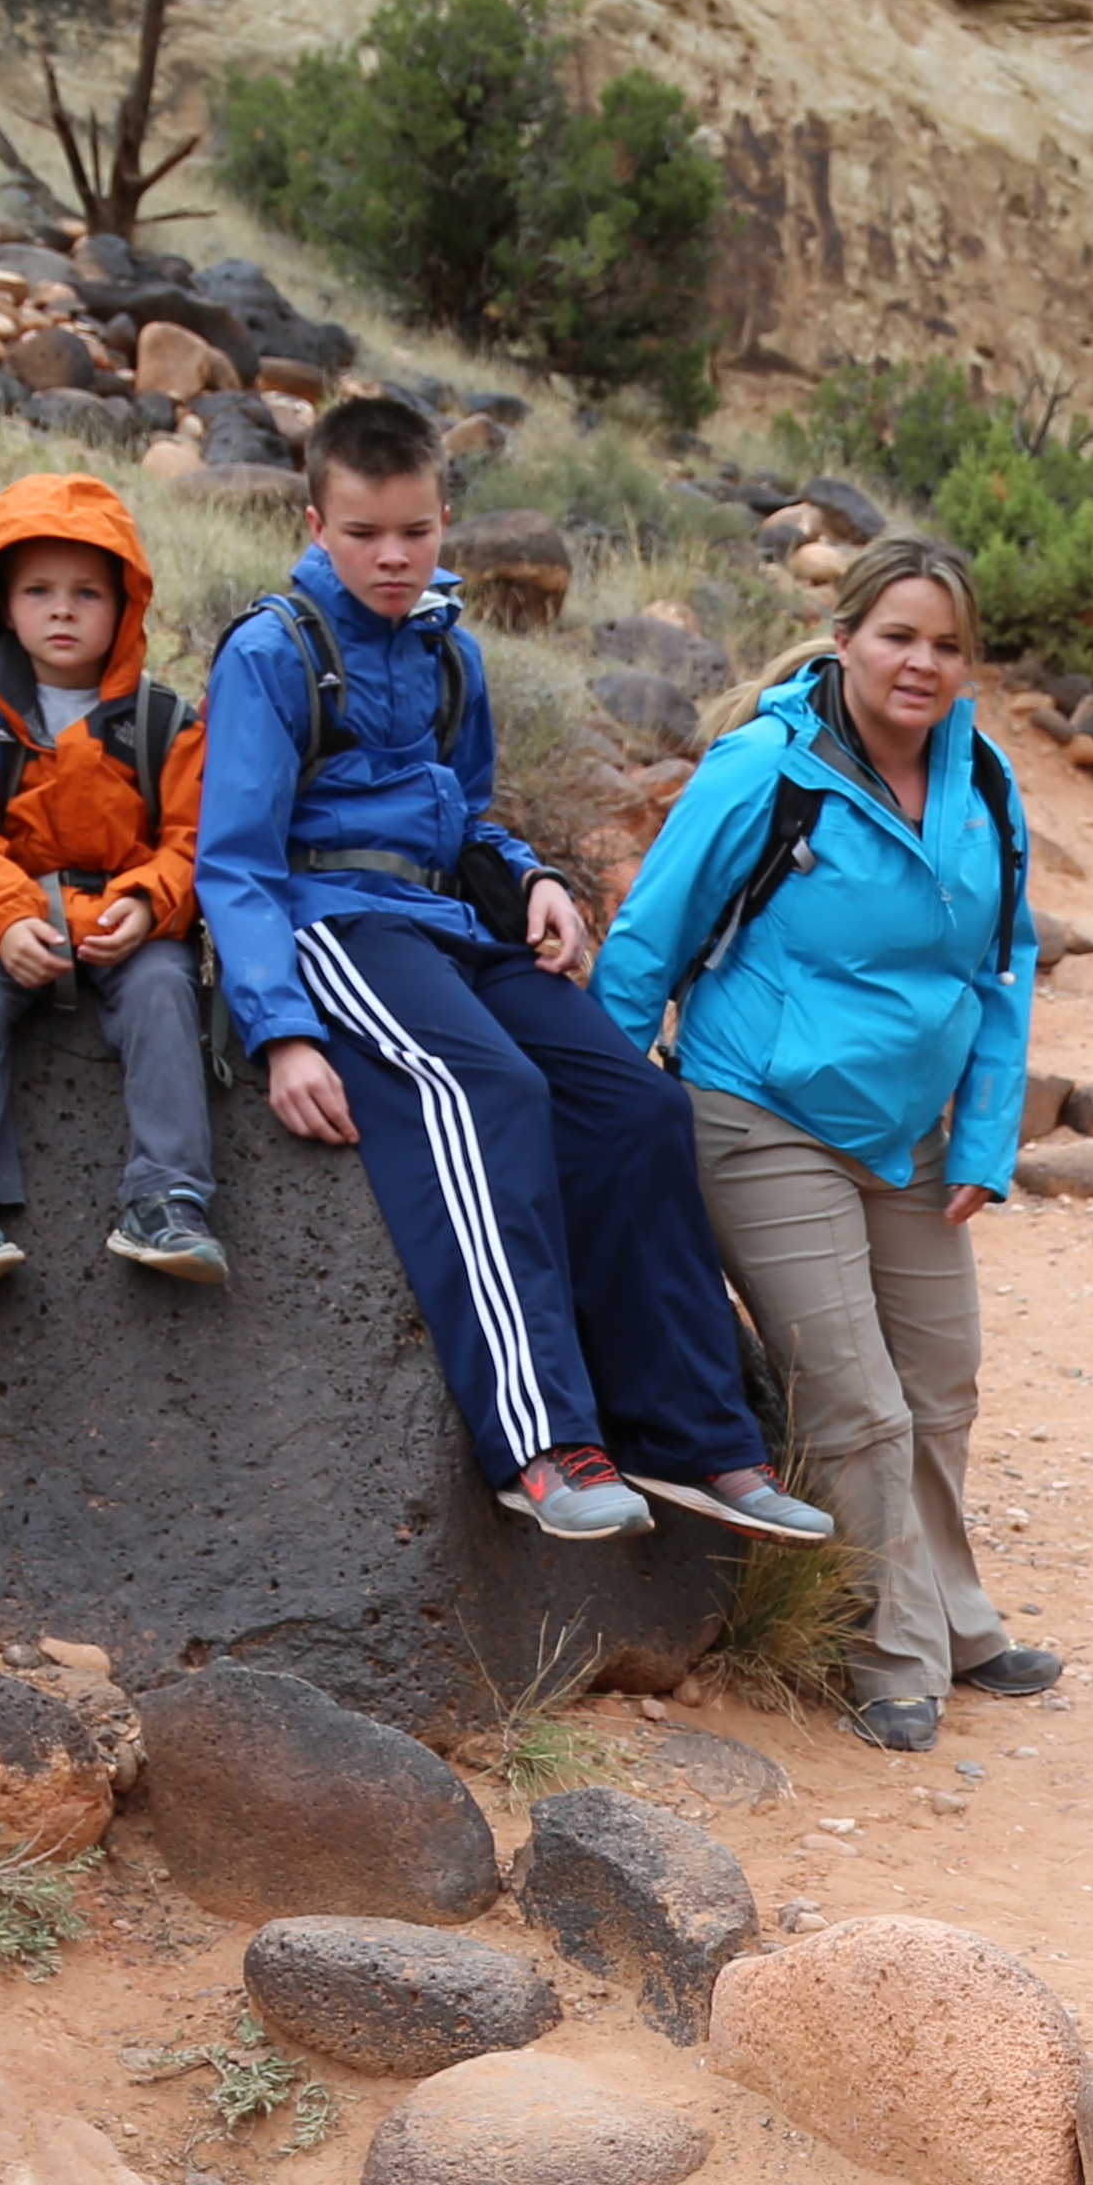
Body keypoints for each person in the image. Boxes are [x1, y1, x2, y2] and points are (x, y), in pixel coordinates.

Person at [193, 393, 835, 1553]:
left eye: (416, 531)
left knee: (635, 1103)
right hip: (333, 922)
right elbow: (234, 862)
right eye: (362, 533)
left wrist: (530, 875)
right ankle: (541, 1444)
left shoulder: (451, 653)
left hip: (447, 920)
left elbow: (465, 821)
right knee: (487, 1091)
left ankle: (697, 1441)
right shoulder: (273, 651)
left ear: (446, 518)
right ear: (313, 520)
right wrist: (280, 1030)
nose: (393, 557)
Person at [597, 535, 1056, 1755]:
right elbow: (648, 939)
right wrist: (594, 1116)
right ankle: (886, 1650)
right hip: (760, 1113)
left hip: (908, 1133)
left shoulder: (986, 778)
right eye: (899, 635)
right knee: (855, 1405)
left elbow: (1006, 959)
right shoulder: (770, 769)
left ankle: (953, 1616)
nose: (923, 663)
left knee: (941, 1382)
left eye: (947, 644)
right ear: (845, 635)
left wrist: (986, 1137)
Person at [0, 472, 220, 1295]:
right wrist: (2, 922)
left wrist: (146, 904)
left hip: (122, 924)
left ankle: (168, 1197)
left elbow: (190, 843)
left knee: (166, 991)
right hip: (19, 920)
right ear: (2, 603)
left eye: (86, 592)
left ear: (126, 605)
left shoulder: (165, 723)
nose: (62, 610)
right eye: (38, 590)